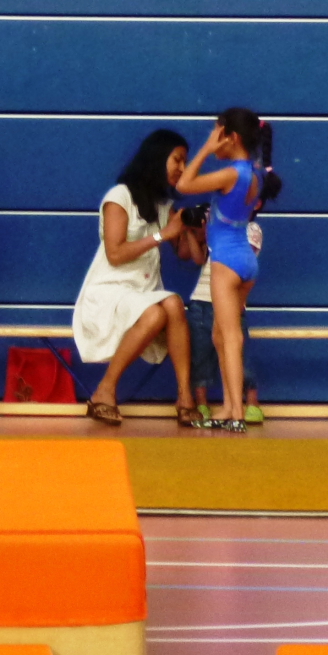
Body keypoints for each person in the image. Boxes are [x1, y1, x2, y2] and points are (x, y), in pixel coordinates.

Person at [71, 128, 193, 426]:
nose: (182, 168)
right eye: (177, 160)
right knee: (155, 313)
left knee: (174, 304)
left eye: (185, 162)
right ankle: (105, 389)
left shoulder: (164, 205)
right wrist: (163, 235)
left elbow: (185, 254)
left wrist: (192, 228)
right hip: (109, 291)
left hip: (142, 292)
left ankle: (185, 395)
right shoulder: (119, 197)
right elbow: (115, 253)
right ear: (158, 158)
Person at [174, 107, 278, 430]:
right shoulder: (256, 173)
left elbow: (184, 185)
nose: (213, 139)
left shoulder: (232, 174)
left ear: (231, 137)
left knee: (230, 336)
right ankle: (230, 406)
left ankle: (236, 414)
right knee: (220, 334)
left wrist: (206, 149)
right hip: (245, 261)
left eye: (216, 133)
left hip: (226, 261)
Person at [178, 213, 262, 427]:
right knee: (202, 356)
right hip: (202, 300)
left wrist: (214, 232)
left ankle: (246, 405)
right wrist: (194, 232)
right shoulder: (217, 232)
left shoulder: (249, 230)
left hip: (230, 302)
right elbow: (197, 258)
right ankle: (212, 405)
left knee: (239, 354)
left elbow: (239, 262)